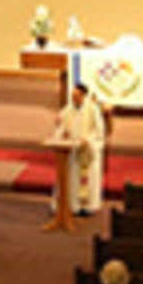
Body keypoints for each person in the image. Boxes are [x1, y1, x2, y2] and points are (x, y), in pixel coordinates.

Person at [53, 82, 105, 214]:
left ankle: (88, 207)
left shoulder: (93, 110)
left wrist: (88, 140)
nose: (73, 98)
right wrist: (60, 130)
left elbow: (99, 131)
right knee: (72, 179)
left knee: (87, 179)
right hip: (72, 150)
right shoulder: (68, 109)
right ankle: (71, 206)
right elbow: (61, 126)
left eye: (76, 95)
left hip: (87, 150)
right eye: (72, 95)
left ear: (83, 96)